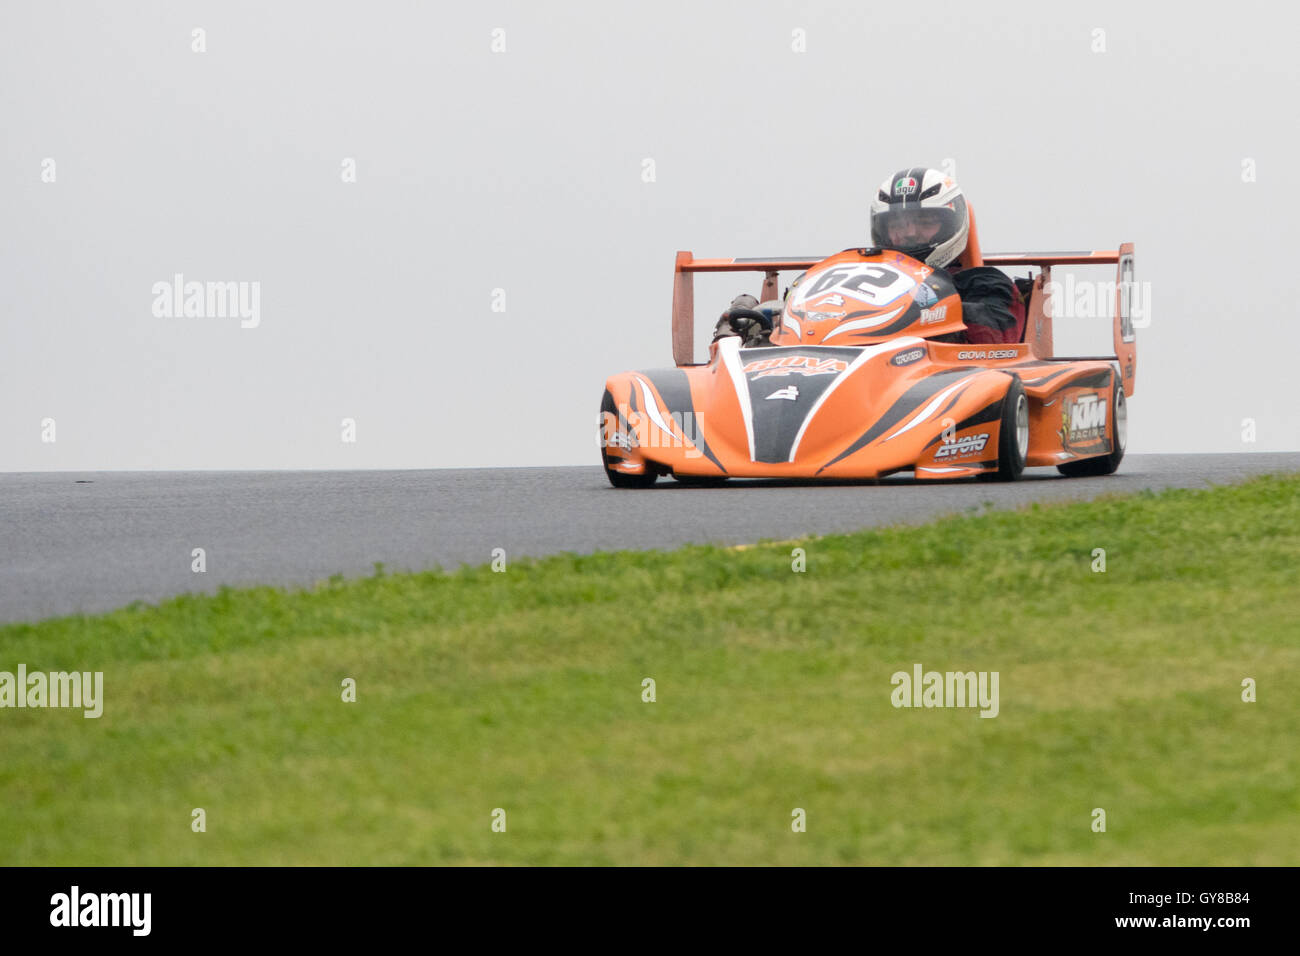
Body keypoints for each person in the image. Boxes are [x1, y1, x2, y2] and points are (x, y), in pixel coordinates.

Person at [713, 166, 1019, 346]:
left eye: (924, 222)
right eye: (898, 225)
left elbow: (992, 343)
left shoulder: (982, 282)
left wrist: (929, 312)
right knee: (749, 312)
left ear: (953, 223)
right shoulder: (853, 267)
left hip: (924, 379)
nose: (909, 234)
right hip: (830, 366)